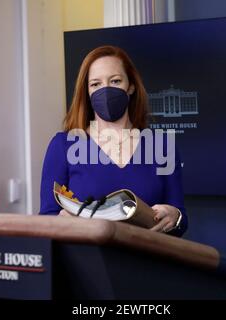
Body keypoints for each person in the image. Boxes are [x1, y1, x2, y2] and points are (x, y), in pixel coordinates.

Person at [40, 45, 188, 236]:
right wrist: (62, 222)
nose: (106, 90)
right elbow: (46, 218)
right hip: (87, 260)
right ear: (87, 92)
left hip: (147, 261)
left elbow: (181, 220)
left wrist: (174, 216)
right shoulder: (63, 145)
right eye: (96, 84)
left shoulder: (162, 146)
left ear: (131, 86)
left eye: (115, 81)